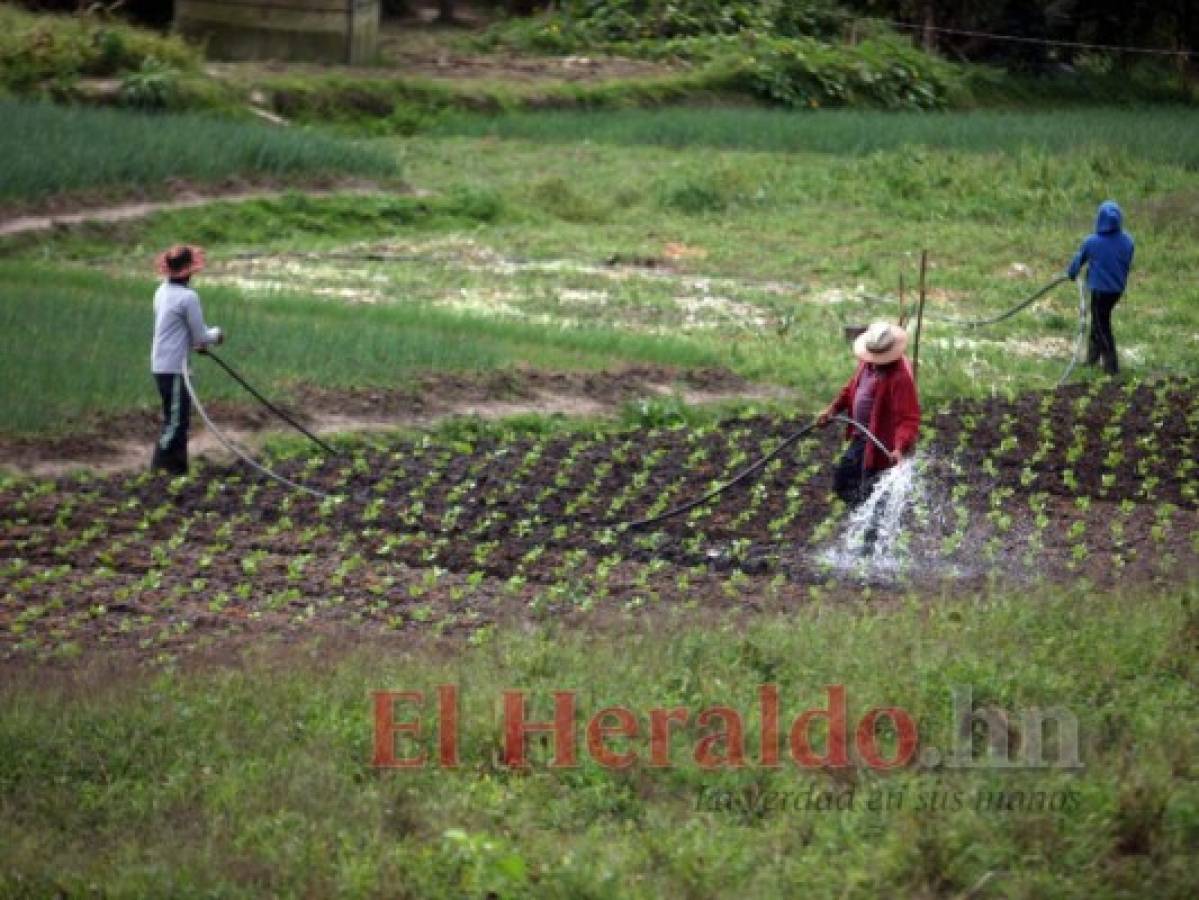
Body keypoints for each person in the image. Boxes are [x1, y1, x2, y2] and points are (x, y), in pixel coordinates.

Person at [817, 321, 921, 507]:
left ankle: (868, 522)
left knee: (869, 490)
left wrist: (899, 447)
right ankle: (862, 515)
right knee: (845, 482)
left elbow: (908, 419)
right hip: (861, 438)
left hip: (880, 446)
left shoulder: (900, 377)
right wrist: (833, 409)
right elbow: (851, 389)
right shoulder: (867, 365)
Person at [150, 245, 223, 475]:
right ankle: (159, 468)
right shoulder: (188, 297)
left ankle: (178, 471)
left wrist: (194, 343)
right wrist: (217, 336)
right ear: (188, 270)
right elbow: (201, 335)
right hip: (173, 367)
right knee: (176, 422)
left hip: (162, 362)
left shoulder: (162, 291)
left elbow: (178, 329)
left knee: (178, 420)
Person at [1066, 200, 1134, 375]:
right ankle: (1092, 358)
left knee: (1101, 325)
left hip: (1100, 290)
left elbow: (1076, 264)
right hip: (1116, 290)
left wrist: (1071, 274)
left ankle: (1112, 366)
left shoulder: (1092, 242)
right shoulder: (1127, 241)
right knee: (1098, 321)